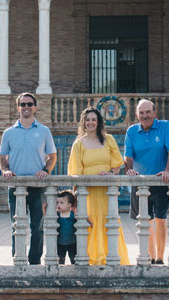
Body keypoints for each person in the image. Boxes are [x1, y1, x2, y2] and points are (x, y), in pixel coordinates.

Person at [67, 107, 131, 265]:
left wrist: (111, 174)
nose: (90, 122)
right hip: (88, 193)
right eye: (87, 120)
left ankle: (111, 256)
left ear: (98, 122)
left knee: (108, 222)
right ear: (83, 122)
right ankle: (94, 259)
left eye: (93, 119)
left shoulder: (108, 139)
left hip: (106, 191)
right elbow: (75, 173)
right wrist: (76, 199)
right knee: (91, 222)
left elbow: (117, 164)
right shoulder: (78, 144)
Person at [0, 92, 57, 265]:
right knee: (17, 226)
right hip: (16, 186)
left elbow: (52, 156)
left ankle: (34, 260)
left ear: (35, 107)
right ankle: (19, 259)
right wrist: (6, 170)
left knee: (37, 227)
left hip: (38, 186)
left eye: (29, 104)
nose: (26, 107)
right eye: (23, 104)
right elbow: (2, 157)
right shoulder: (8, 133)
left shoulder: (44, 131)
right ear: (18, 107)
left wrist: (46, 170)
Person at [124, 98, 169, 265]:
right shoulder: (132, 131)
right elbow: (128, 155)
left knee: (161, 221)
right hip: (140, 184)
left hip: (161, 182)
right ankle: (150, 256)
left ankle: (160, 258)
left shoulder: (165, 126)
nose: (145, 115)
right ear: (137, 114)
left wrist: (168, 170)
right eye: (141, 112)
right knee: (145, 223)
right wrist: (130, 169)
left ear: (154, 113)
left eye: (148, 112)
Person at [56, 189, 78, 264]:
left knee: (74, 259)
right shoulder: (57, 215)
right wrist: (44, 208)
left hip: (72, 242)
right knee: (60, 260)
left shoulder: (73, 215)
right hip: (60, 242)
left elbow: (82, 220)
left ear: (69, 204)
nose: (58, 205)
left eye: (61, 203)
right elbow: (47, 220)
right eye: (57, 202)